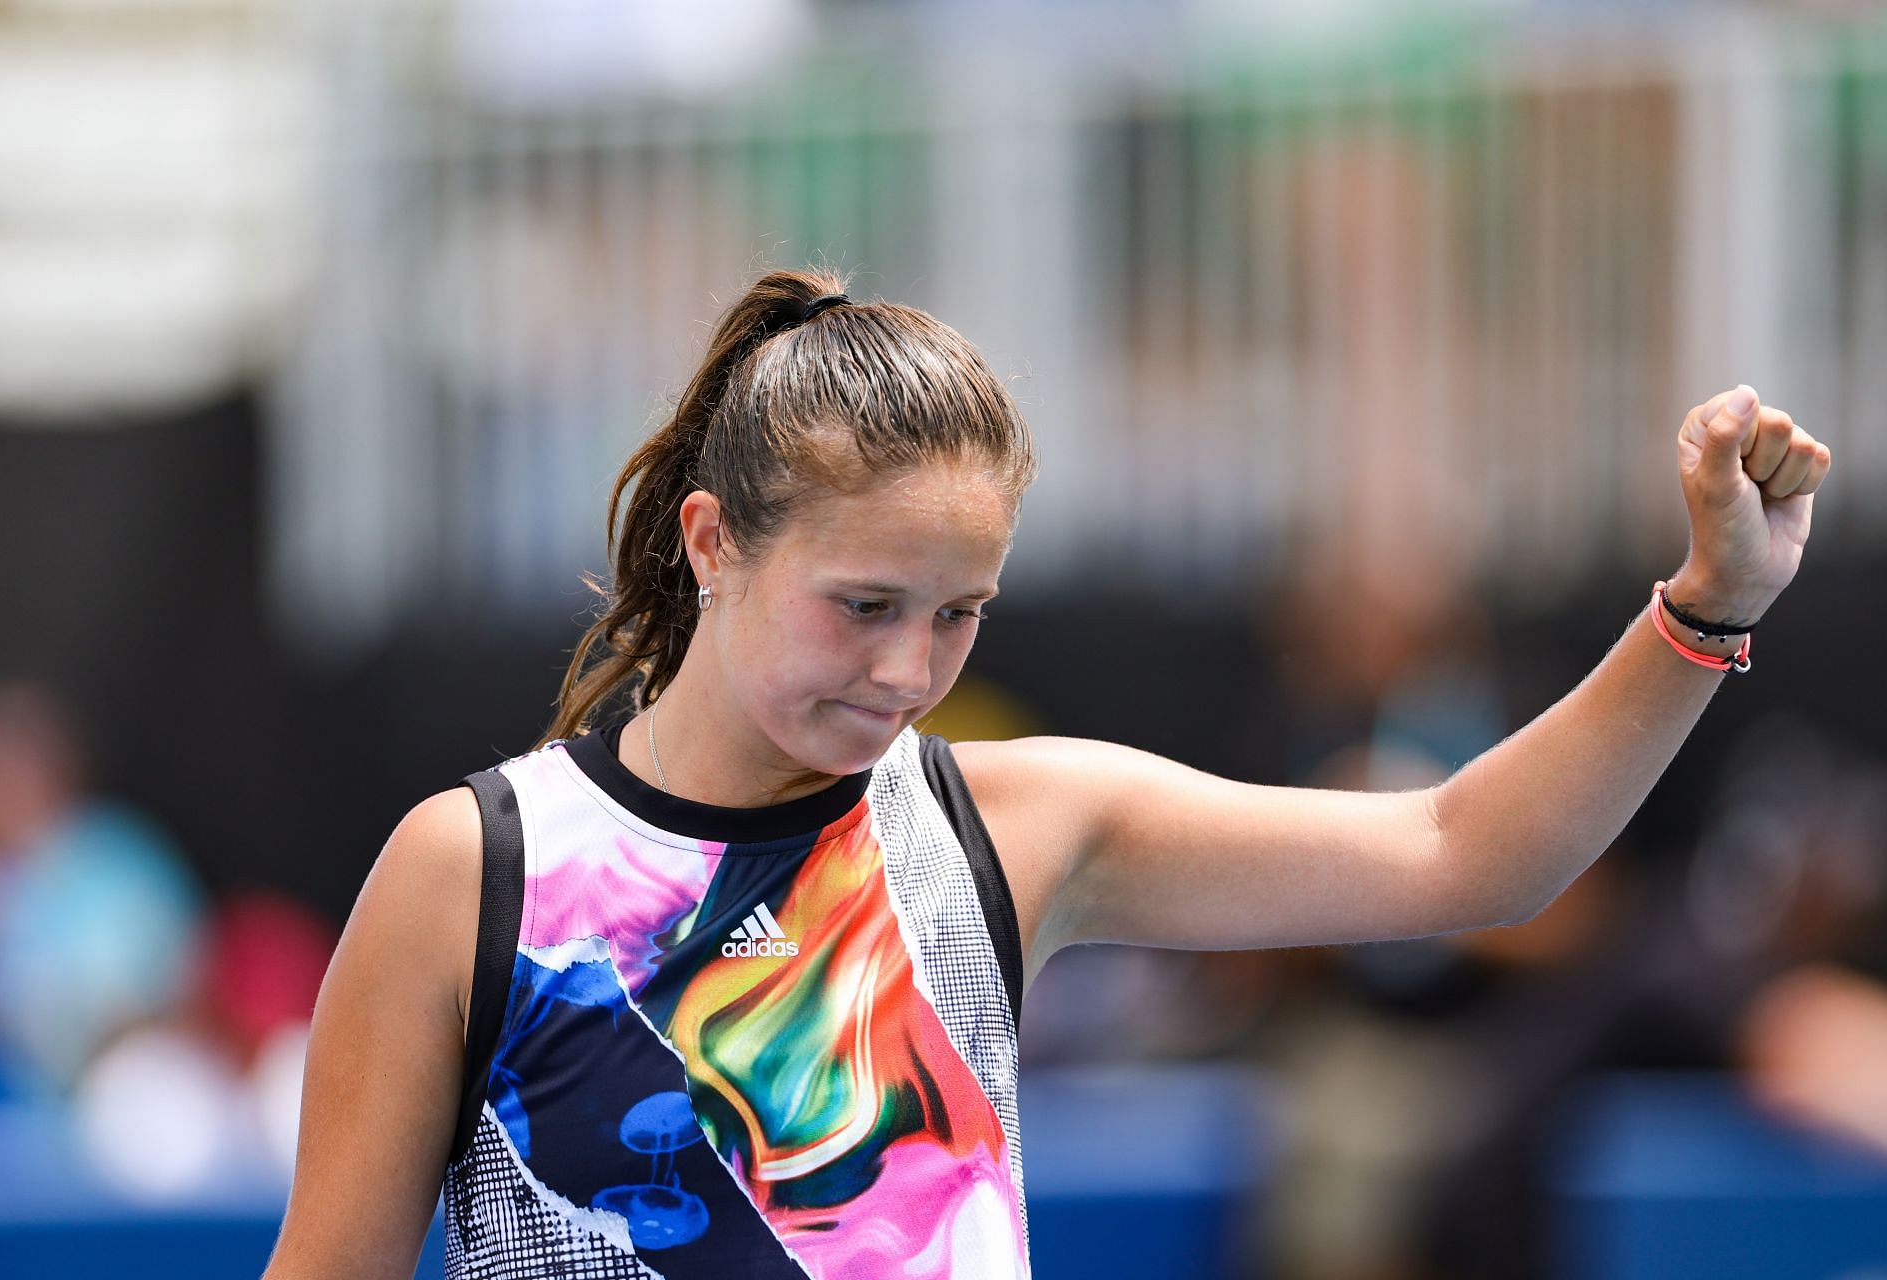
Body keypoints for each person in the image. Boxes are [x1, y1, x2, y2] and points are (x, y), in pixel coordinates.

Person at [262, 267, 1832, 1280]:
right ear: (712, 540)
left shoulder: (1009, 825)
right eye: (863, 606)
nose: (908, 672)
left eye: (959, 616)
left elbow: (1463, 851)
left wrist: (1710, 611)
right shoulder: (479, 870)